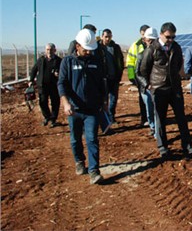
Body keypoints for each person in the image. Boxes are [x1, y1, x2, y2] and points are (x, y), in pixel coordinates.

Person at [138, 22, 192, 161]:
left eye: (173, 37)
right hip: (159, 89)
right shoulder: (152, 49)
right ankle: (163, 148)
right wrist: (148, 86)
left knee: (181, 118)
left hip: (175, 88)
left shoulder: (176, 47)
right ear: (161, 34)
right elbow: (141, 72)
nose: (171, 40)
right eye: (168, 37)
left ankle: (187, 146)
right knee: (160, 119)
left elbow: (177, 66)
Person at [58, 29, 106, 184]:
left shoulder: (96, 62)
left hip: (92, 109)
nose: (88, 52)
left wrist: (104, 103)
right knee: (75, 139)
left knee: (92, 139)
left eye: (90, 50)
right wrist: (65, 103)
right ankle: (79, 161)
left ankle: (94, 171)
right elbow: (62, 84)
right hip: (74, 110)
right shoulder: (68, 62)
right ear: (77, 46)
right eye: (85, 49)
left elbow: (102, 84)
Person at [28, 43, 62, 127]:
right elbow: (34, 70)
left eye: (51, 49)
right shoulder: (41, 60)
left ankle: (53, 120)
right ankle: (47, 117)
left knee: (55, 103)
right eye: (47, 49)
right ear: (45, 50)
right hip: (42, 86)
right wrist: (31, 80)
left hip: (54, 86)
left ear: (55, 50)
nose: (49, 51)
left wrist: (59, 74)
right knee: (42, 102)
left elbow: (64, 72)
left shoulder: (59, 61)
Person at [135, 27, 158, 137]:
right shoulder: (141, 55)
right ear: (145, 40)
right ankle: (152, 127)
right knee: (149, 109)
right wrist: (146, 84)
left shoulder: (161, 55)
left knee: (157, 110)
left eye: (154, 41)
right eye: (150, 41)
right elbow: (138, 73)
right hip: (146, 88)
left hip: (158, 86)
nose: (152, 43)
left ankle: (158, 129)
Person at [98, 29, 124, 124]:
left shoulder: (115, 47)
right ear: (102, 36)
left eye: (109, 36)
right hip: (103, 78)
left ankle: (111, 116)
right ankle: (104, 119)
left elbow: (120, 61)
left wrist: (119, 74)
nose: (108, 38)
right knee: (104, 99)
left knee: (113, 99)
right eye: (106, 36)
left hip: (114, 77)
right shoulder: (98, 48)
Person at [126, 25, 150, 126]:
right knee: (142, 98)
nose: (145, 37)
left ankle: (154, 118)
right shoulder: (135, 45)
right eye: (143, 34)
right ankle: (144, 118)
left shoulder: (154, 44)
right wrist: (132, 77)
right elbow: (130, 61)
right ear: (141, 33)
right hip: (140, 76)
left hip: (152, 76)